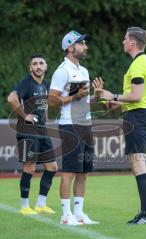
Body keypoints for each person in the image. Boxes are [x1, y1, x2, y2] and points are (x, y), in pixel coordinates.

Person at [93, 27, 146, 224]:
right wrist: (106, 97)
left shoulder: (138, 65)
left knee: (138, 164)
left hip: (137, 117)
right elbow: (131, 99)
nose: (122, 41)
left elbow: (135, 96)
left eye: (125, 38)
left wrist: (115, 96)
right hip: (137, 115)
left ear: (132, 43)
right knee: (137, 164)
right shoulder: (141, 62)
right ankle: (145, 213)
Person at [49, 30, 99, 225]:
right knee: (69, 171)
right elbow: (52, 101)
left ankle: (79, 213)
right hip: (70, 126)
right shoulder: (62, 71)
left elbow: (83, 102)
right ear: (70, 48)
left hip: (85, 125)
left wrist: (97, 96)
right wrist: (74, 97)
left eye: (84, 43)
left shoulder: (84, 71)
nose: (85, 46)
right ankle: (65, 215)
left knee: (83, 172)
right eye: (81, 43)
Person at [8, 54, 58, 215]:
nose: (38, 66)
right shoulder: (26, 83)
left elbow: (46, 103)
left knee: (52, 167)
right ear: (30, 67)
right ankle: (24, 206)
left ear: (46, 67)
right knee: (29, 167)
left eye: (41, 63)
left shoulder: (45, 84)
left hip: (42, 131)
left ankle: (40, 204)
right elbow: (11, 98)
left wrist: (46, 117)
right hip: (27, 131)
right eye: (34, 64)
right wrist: (25, 116)